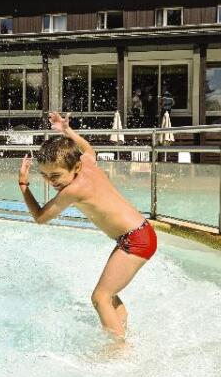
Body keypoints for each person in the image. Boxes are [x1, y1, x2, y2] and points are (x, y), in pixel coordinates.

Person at [18, 112, 157, 341]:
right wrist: (67, 131)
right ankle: (122, 332)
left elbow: (40, 217)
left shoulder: (73, 190)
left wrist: (23, 184)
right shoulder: (87, 164)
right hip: (139, 233)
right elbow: (89, 150)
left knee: (100, 297)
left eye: (56, 175)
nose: (51, 182)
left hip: (136, 240)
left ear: (75, 168)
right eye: (44, 175)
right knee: (110, 295)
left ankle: (118, 350)